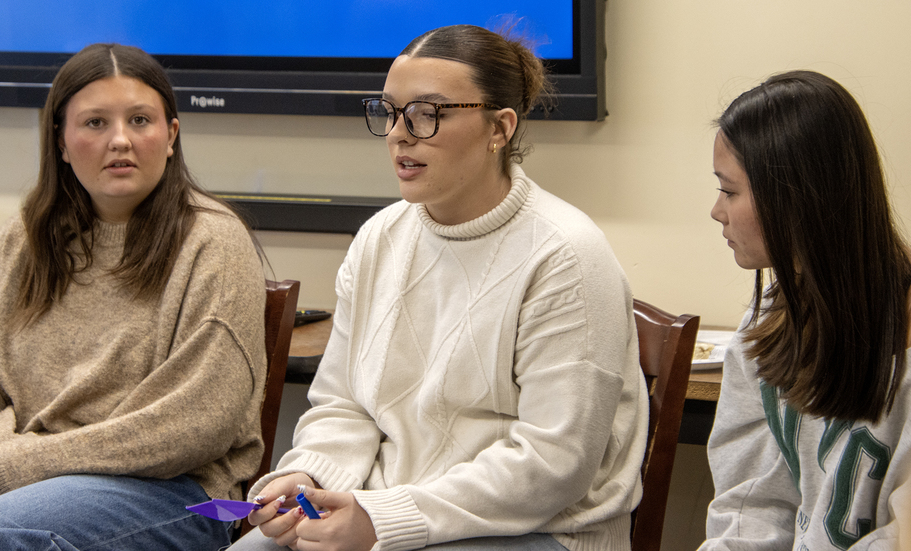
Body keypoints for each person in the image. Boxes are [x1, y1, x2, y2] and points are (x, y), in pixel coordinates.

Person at [230, 24, 647, 551]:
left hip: (538, 531)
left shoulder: (566, 255)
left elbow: (552, 464)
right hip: (387, 508)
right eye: (389, 111)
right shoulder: (381, 236)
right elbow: (343, 404)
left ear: (500, 128)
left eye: (427, 114)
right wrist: (311, 477)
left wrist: (382, 519)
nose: (399, 134)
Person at [0, 43, 268, 550]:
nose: (120, 140)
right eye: (95, 123)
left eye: (140, 120)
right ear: (62, 142)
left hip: (187, 494)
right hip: (24, 467)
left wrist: (33, 463)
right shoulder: (23, 239)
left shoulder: (214, 243)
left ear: (172, 135)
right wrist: (3, 457)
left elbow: (196, 425)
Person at [701, 70, 911, 550]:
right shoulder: (768, 323)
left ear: (796, 199)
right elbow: (751, 507)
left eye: (730, 191)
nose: (717, 211)